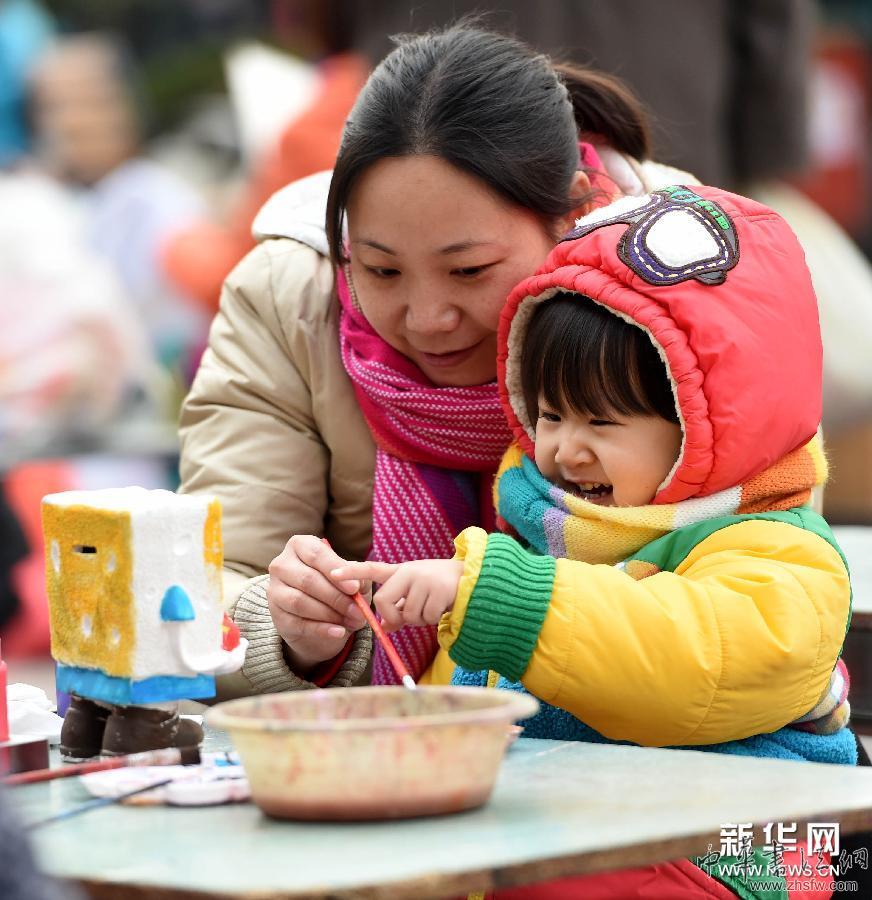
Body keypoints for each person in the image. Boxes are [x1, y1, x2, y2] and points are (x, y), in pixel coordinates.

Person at [334, 184, 854, 899]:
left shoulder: (778, 552)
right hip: (588, 831)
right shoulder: (554, 538)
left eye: (602, 424)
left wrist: (497, 599)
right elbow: (474, 685)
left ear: (710, 427)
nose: (564, 451)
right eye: (549, 415)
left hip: (736, 857)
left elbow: (690, 658)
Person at [177, 23, 691, 696]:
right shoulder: (288, 300)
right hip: (379, 754)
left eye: (469, 270)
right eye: (383, 271)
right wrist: (287, 630)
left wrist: (509, 603)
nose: (428, 319)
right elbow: (209, 584)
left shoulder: (686, 286)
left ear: (568, 217)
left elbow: (755, 575)